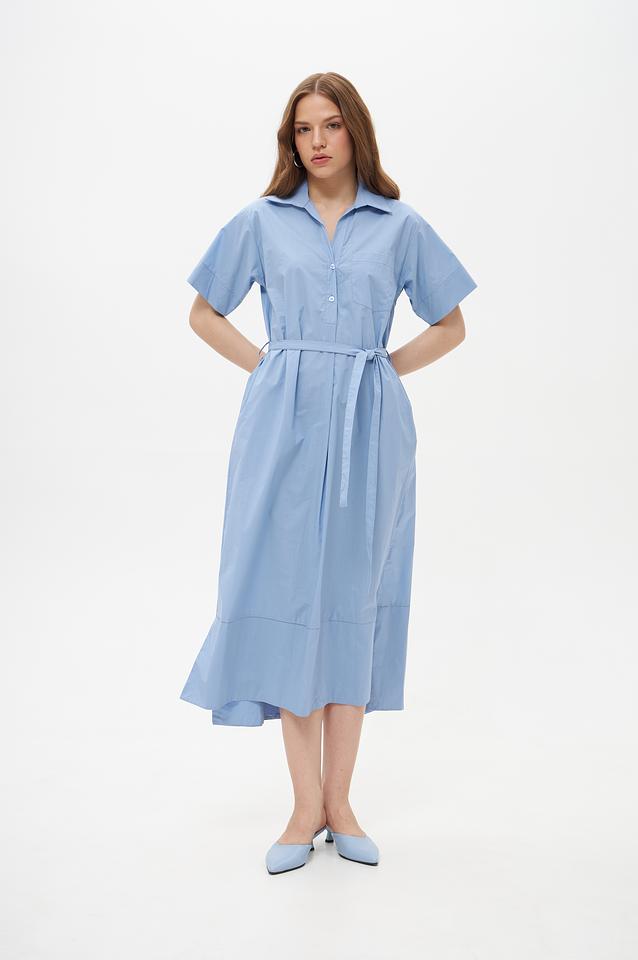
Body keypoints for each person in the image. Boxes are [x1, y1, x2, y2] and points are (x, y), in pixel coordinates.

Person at [179, 72, 477, 874]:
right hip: (281, 428)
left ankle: (340, 803)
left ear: (356, 133)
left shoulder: (399, 225)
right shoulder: (263, 221)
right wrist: (271, 368)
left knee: (352, 603)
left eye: (331, 125)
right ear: (291, 141)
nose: (316, 141)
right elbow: (203, 311)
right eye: (303, 128)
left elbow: (452, 324)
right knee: (288, 599)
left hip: (371, 430)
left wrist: (379, 371)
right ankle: (303, 803)